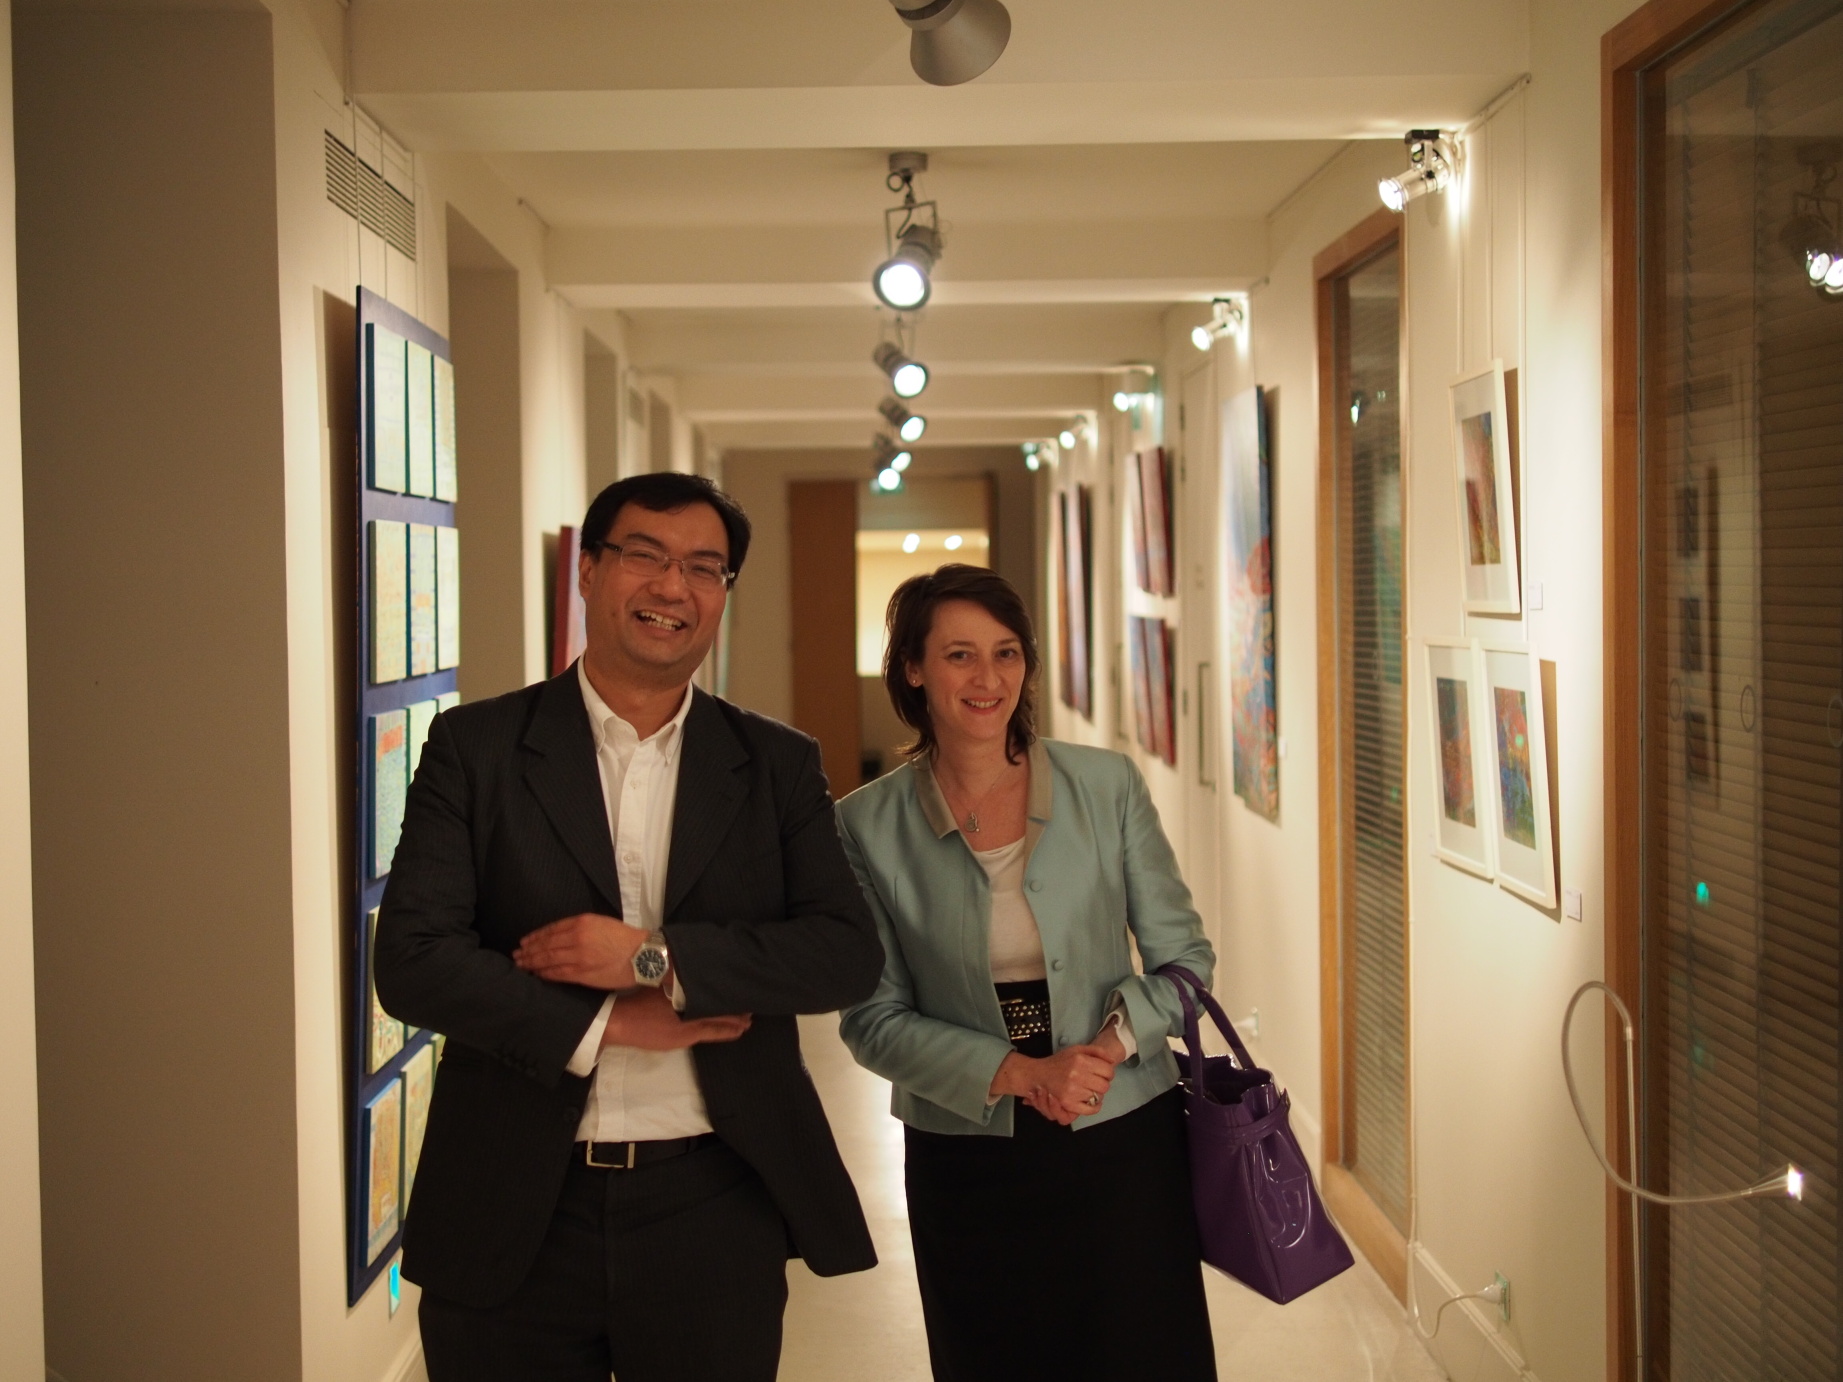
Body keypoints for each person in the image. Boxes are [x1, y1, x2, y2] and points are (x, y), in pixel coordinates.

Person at [375, 471, 885, 1382]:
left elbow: (844, 956)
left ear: (723, 591)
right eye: (644, 556)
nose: (671, 587)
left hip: (713, 1200)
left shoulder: (773, 763)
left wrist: (652, 958)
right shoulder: (477, 749)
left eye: (703, 567)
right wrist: (605, 1022)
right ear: (588, 570)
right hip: (511, 1201)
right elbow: (413, 962)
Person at [837, 564, 1219, 1382]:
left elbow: (1185, 962)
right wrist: (1020, 1072)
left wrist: (1104, 1052)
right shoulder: (864, 824)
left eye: (1006, 653)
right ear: (913, 669)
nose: (988, 679)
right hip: (965, 1151)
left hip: (1120, 1130)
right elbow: (871, 1020)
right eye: (959, 655)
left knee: (1144, 1354)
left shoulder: (1105, 785)